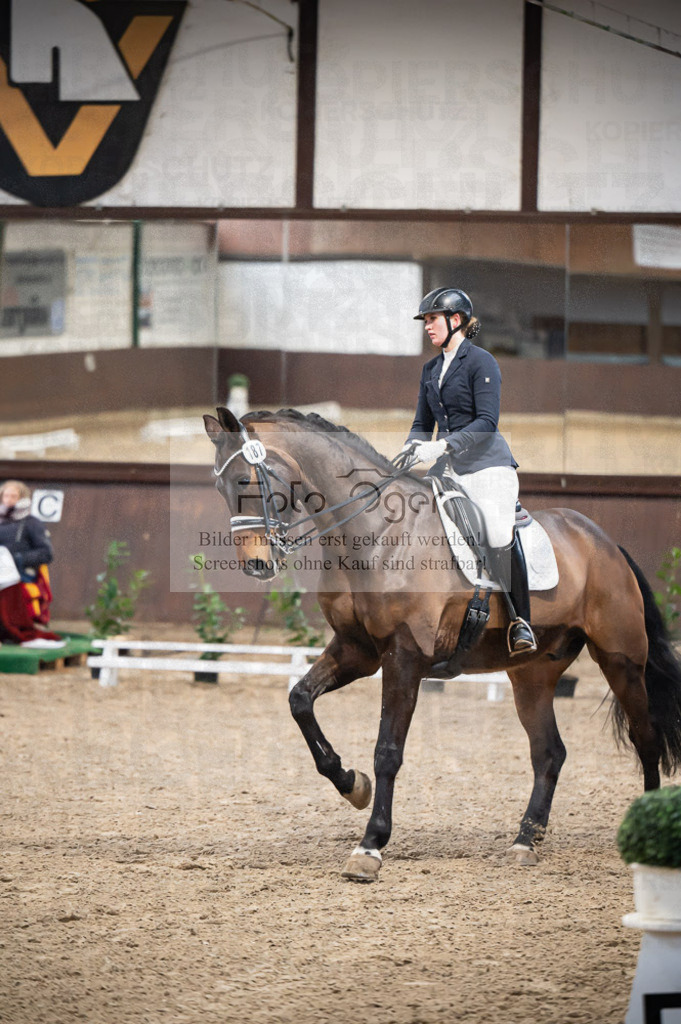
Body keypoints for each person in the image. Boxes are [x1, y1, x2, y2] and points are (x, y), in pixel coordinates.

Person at [403, 287, 537, 655]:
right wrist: (409, 449)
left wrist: (443, 445)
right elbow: (421, 422)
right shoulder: (430, 369)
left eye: (432, 319)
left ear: (455, 320)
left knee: (496, 529)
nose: (427, 327)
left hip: (488, 466)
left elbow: (487, 422)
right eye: (426, 320)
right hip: (450, 471)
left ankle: (520, 621)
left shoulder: (482, 362)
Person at [0, 480, 61, 646]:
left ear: (22, 498)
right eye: (6, 495)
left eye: (14, 496)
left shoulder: (31, 523)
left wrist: (18, 559)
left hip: (20, 574)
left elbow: (46, 553)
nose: (9, 499)